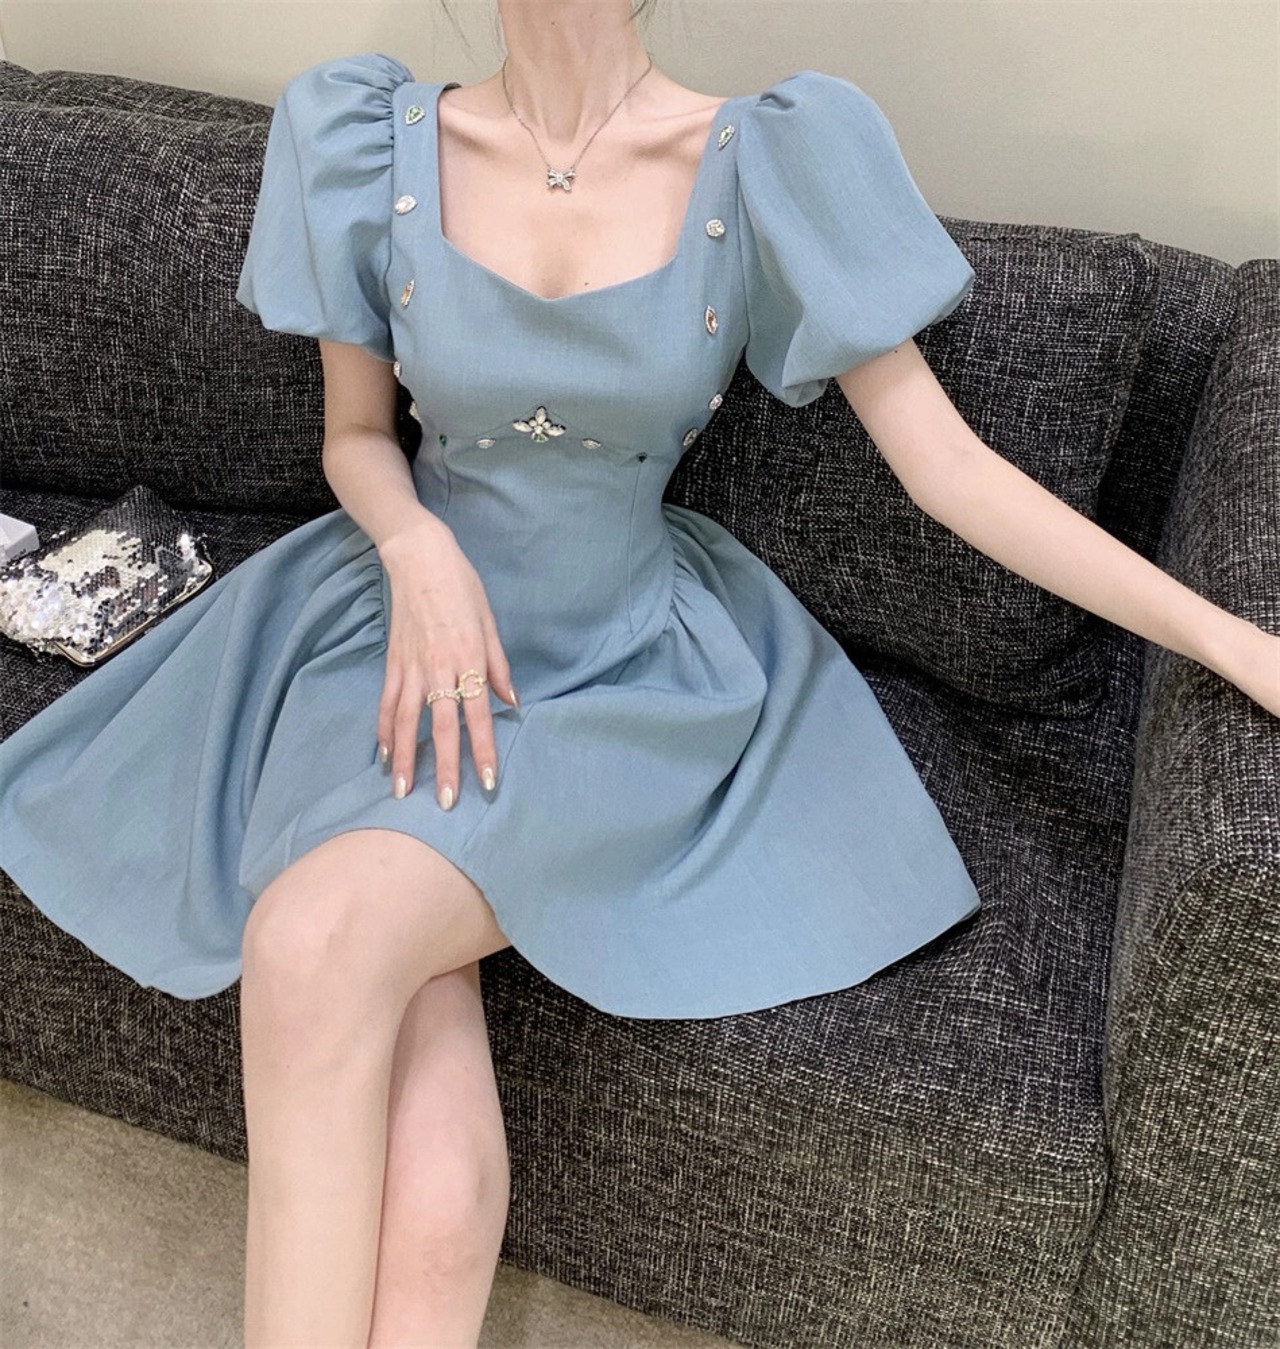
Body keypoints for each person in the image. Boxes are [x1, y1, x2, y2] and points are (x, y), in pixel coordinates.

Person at [1, 0, 1277, 1344]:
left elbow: (950, 471)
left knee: (315, 939)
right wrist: (417, 549)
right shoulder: (366, 137)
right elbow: (355, 436)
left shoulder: (769, 156)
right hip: (391, 634)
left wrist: (1229, 636)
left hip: (616, 669)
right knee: (421, 1139)